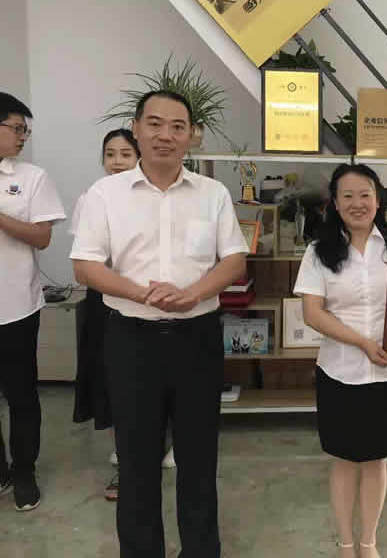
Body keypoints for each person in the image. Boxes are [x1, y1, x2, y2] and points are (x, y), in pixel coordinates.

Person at [70, 90, 248, 557]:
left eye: (176, 126)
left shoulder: (212, 194)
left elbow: (234, 260)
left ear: (192, 135)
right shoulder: (105, 195)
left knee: (198, 459)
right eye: (154, 123)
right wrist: (141, 294)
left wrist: (194, 293)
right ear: (136, 128)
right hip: (131, 340)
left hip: (197, 340)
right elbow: (85, 266)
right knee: (137, 462)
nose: (164, 135)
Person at [293, 164, 387, 558]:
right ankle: (346, 543)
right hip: (340, 371)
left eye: (365, 195)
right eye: (348, 196)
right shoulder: (318, 252)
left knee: (377, 460)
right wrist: (362, 343)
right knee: (344, 460)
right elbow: (313, 313)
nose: (358, 203)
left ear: (378, 199)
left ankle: (368, 542)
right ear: (335, 202)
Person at [0, 92, 66, 511]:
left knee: (21, 395)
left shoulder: (31, 177)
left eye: (25, 130)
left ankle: (24, 470)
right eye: (16, 128)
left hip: (15, 308)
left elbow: (42, 236)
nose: (23, 136)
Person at [68, 129, 139, 501]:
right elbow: (84, 264)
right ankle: (124, 463)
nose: (117, 162)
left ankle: (162, 445)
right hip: (106, 301)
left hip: (153, 299)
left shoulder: (152, 196)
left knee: (155, 381)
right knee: (114, 383)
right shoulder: (91, 198)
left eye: (125, 154)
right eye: (110, 154)